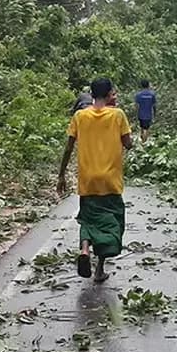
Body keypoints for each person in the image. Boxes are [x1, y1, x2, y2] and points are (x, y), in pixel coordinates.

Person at [56, 77, 133, 282]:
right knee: (112, 221)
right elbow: (128, 143)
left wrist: (61, 175)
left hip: (87, 179)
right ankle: (99, 269)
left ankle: (84, 250)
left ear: (91, 94)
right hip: (110, 180)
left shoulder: (80, 116)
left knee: (88, 218)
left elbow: (68, 147)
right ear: (109, 95)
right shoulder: (118, 115)